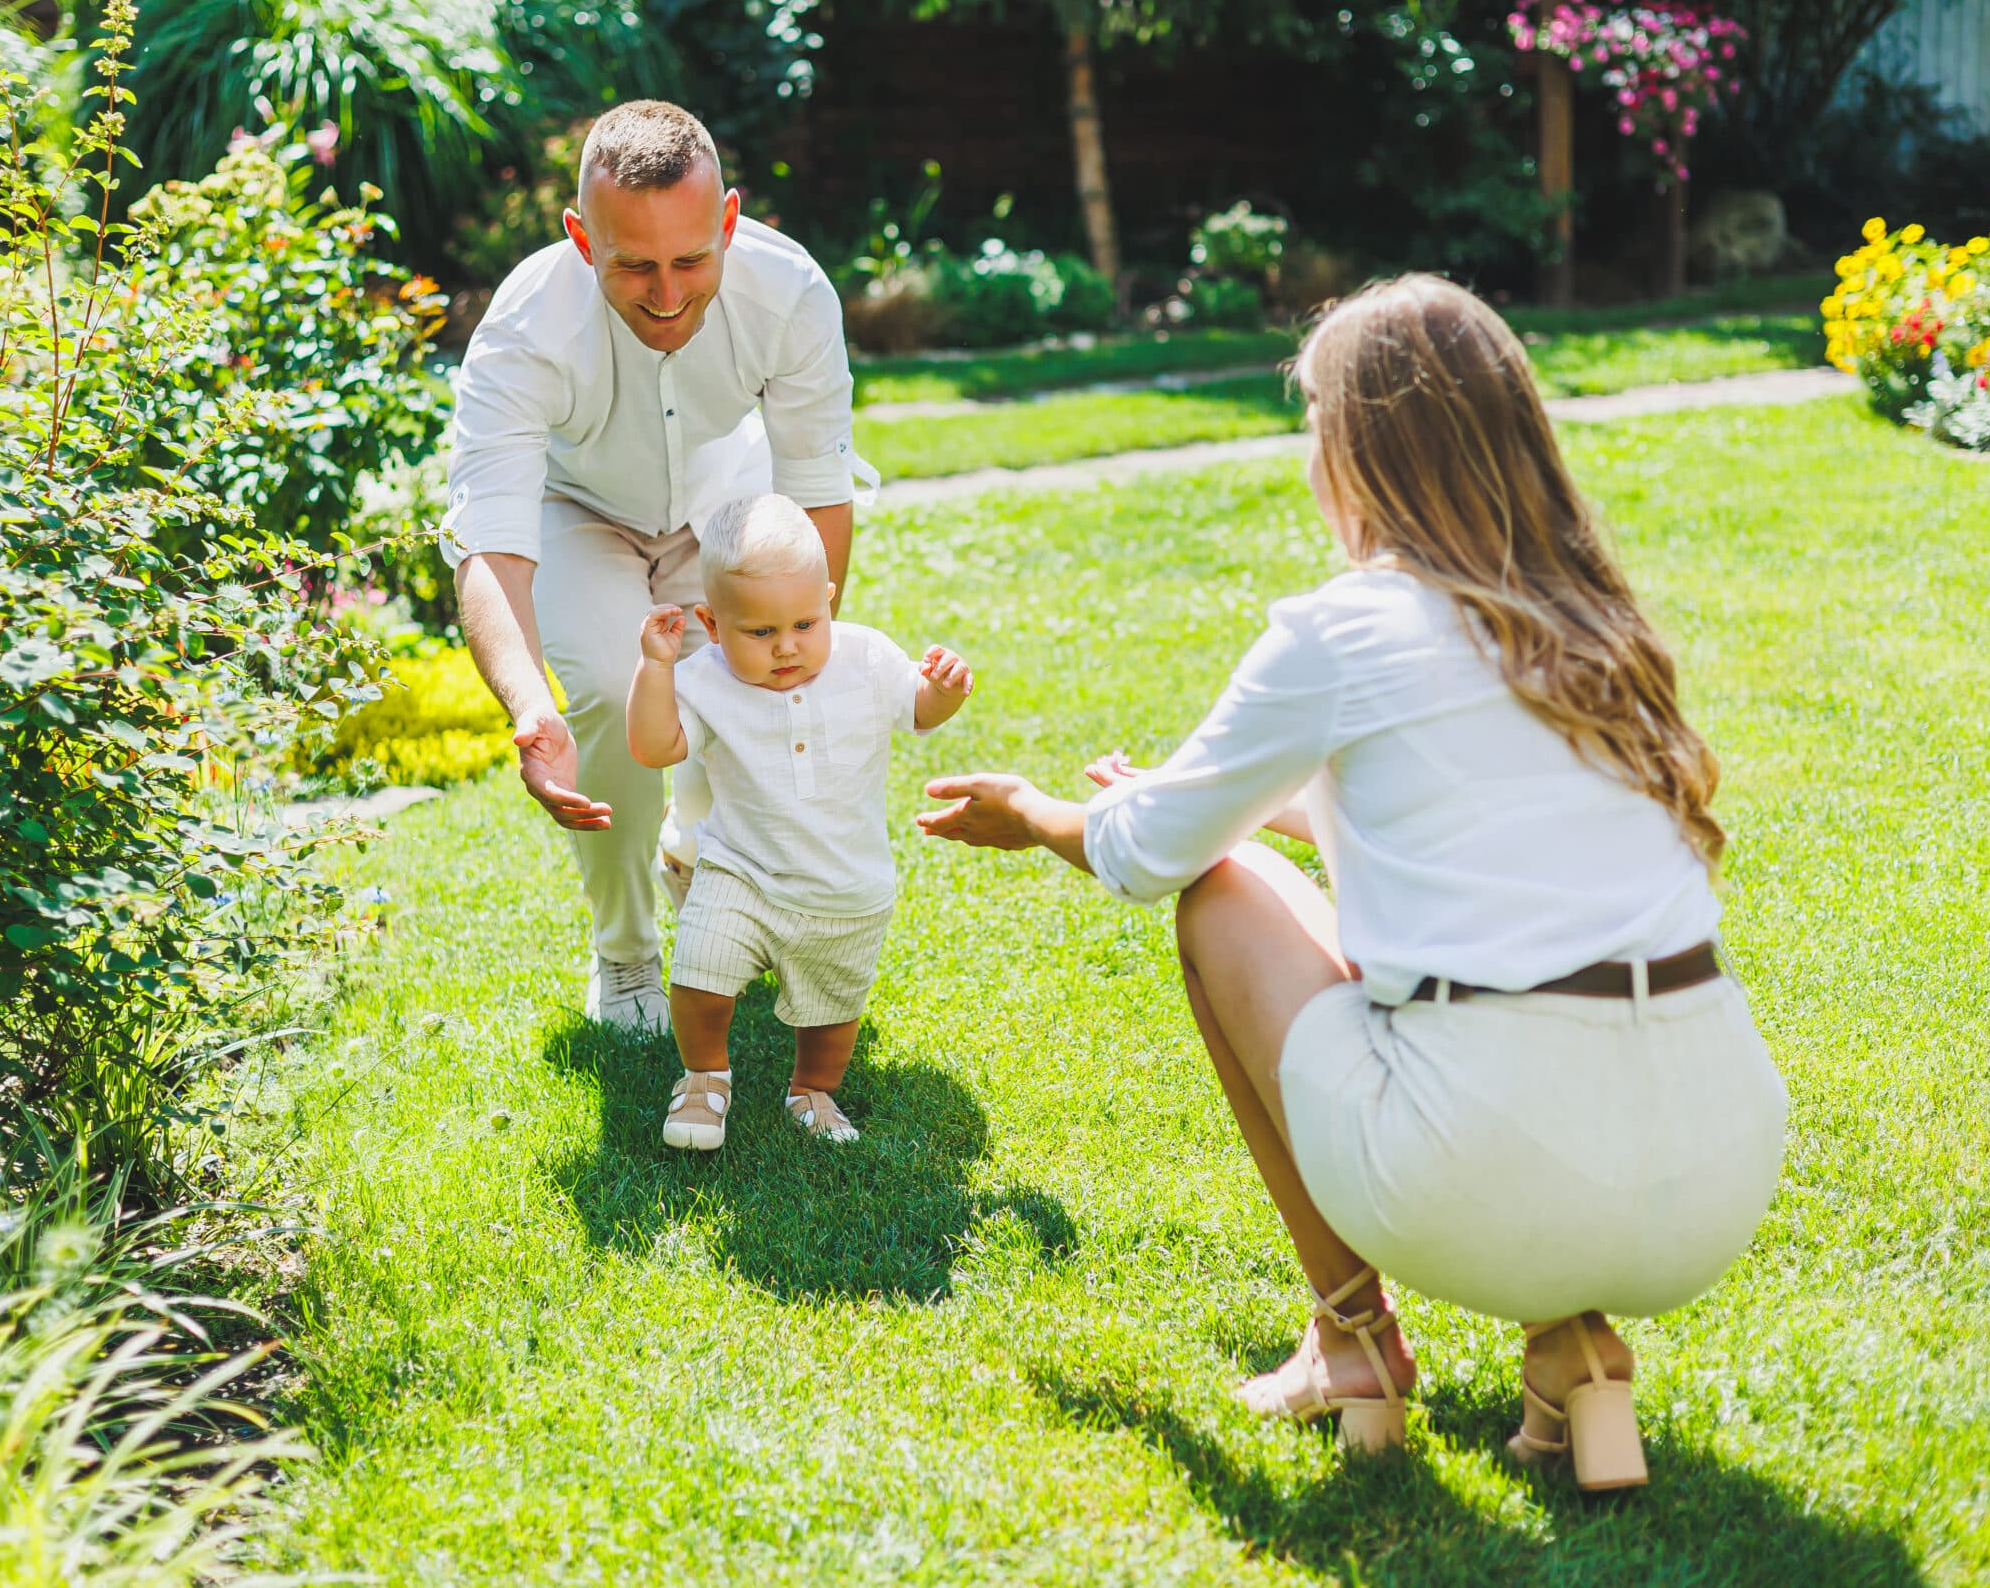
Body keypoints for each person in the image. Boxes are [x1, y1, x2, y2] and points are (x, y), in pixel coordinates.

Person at [914, 274, 1787, 1492]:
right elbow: (1442, 825)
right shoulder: (1597, 625)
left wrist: (1040, 814)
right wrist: (1192, 783)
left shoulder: (1345, 627)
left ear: (1359, 451)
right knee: (1510, 983)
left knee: (1218, 892)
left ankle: (1352, 1342)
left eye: (1317, 426)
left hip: (1489, 1173)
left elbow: (1145, 853)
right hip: (1715, 1173)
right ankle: (1571, 1351)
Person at [444, 100, 866, 1031]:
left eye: (690, 260)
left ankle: (695, 846)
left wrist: (800, 645)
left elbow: (817, 491)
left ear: (729, 220)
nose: (667, 294)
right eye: (633, 264)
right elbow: (492, 538)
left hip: (728, 500)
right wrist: (528, 707)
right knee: (603, 680)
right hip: (577, 512)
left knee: (751, 676)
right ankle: (626, 953)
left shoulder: (790, 292)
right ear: (581, 238)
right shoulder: (524, 329)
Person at [627, 495, 974, 1148]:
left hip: (845, 884)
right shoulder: (706, 678)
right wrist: (655, 667)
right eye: (759, 632)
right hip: (741, 872)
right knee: (698, 975)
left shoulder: (867, 658)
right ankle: (704, 1078)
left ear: (830, 600)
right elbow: (654, 748)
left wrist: (944, 692)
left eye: (806, 623)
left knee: (833, 1012)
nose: (786, 647)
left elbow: (917, 710)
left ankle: (811, 1088)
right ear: (712, 621)